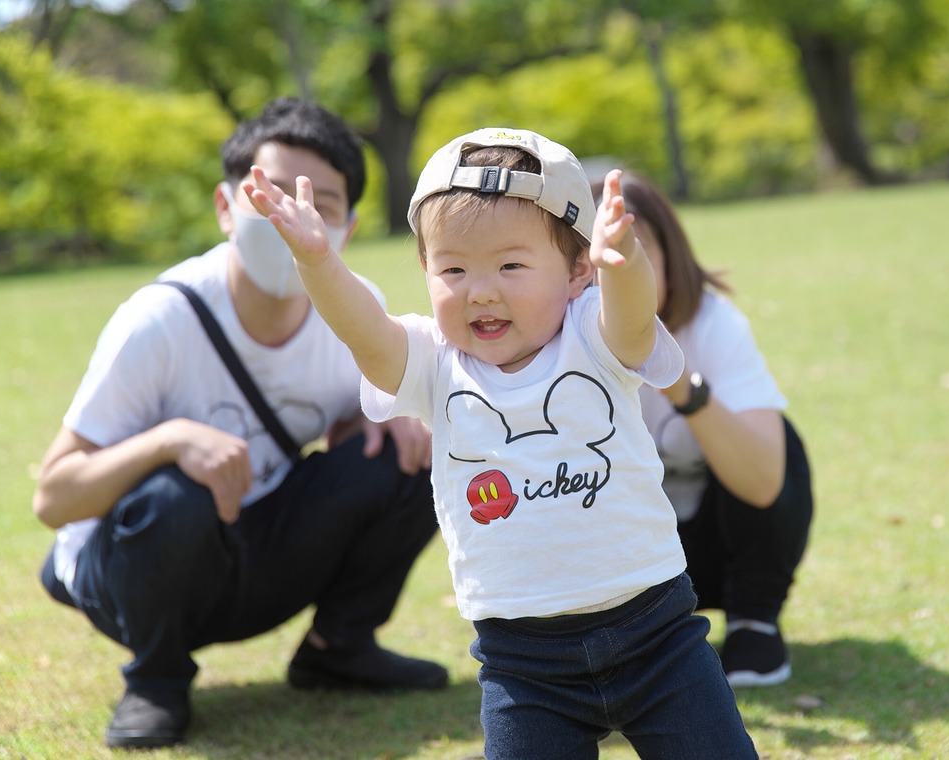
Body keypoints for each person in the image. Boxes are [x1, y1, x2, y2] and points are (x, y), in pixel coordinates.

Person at [245, 127, 757, 759]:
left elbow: (629, 318)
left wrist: (623, 263)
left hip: (657, 638)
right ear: (426, 271)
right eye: (452, 268)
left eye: (511, 265)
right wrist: (318, 263)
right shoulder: (433, 362)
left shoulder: (593, 337)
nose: (480, 290)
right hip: (523, 664)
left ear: (575, 271)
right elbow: (366, 333)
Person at [32, 97, 447, 750]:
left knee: (422, 448)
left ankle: (338, 646)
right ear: (226, 207)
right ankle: (155, 681)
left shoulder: (354, 313)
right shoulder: (161, 319)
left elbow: (358, 424)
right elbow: (52, 497)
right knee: (175, 491)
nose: (290, 216)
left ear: (348, 227)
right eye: (268, 192)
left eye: (319, 203)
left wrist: (392, 420)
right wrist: (169, 440)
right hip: (128, 575)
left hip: (253, 555)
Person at [591, 173, 814, 688]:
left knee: (779, 444)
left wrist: (680, 386)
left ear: (670, 251)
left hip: (716, 544)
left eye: (630, 251)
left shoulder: (715, 324)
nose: (613, 271)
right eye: (592, 258)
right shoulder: (559, 341)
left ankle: (753, 618)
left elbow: (763, 482)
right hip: (633, 561)